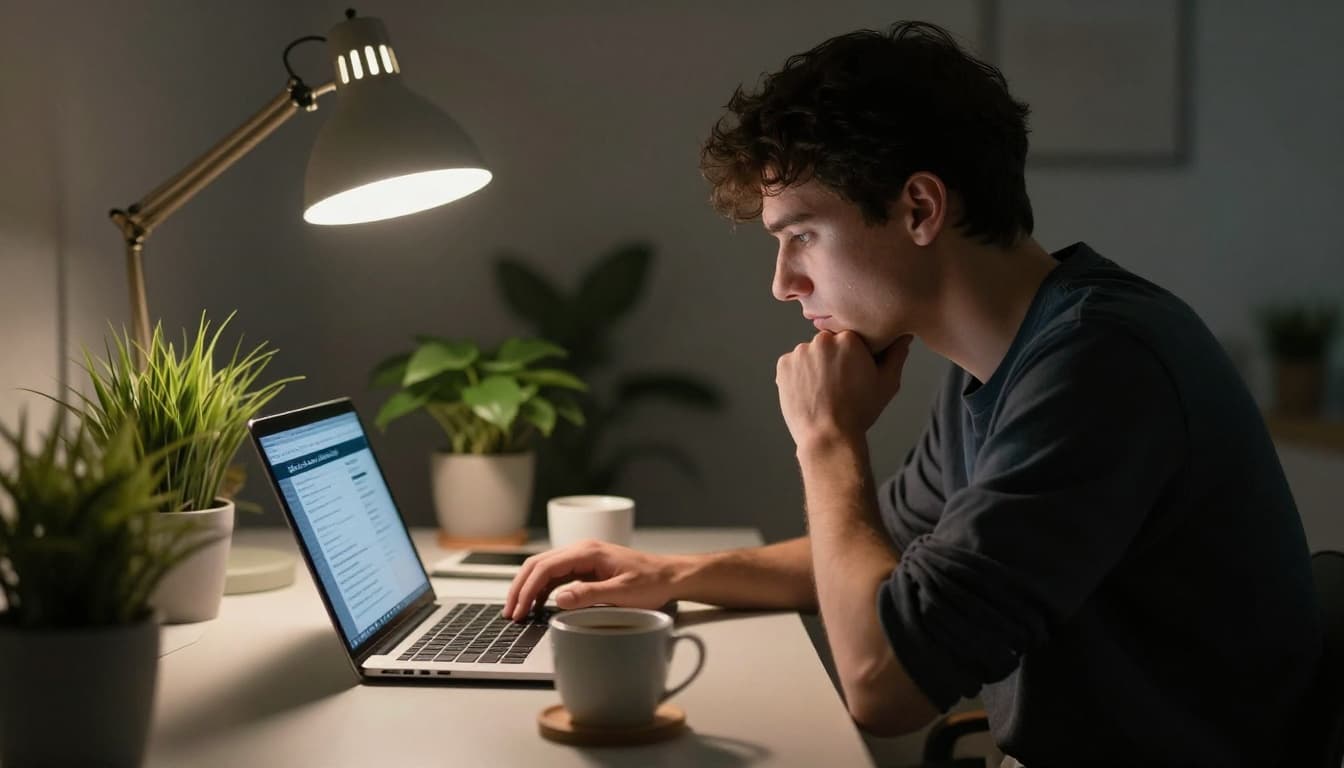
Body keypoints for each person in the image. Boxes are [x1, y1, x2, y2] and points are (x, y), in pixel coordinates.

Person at [503, 21, 1320, 766]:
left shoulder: (1099, 367)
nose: (784, 283)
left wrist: (827, 442)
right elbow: (876, 550)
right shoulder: (999, 355)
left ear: (920, 208)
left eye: (800, 237)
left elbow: (883, 688)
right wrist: (671, 575)